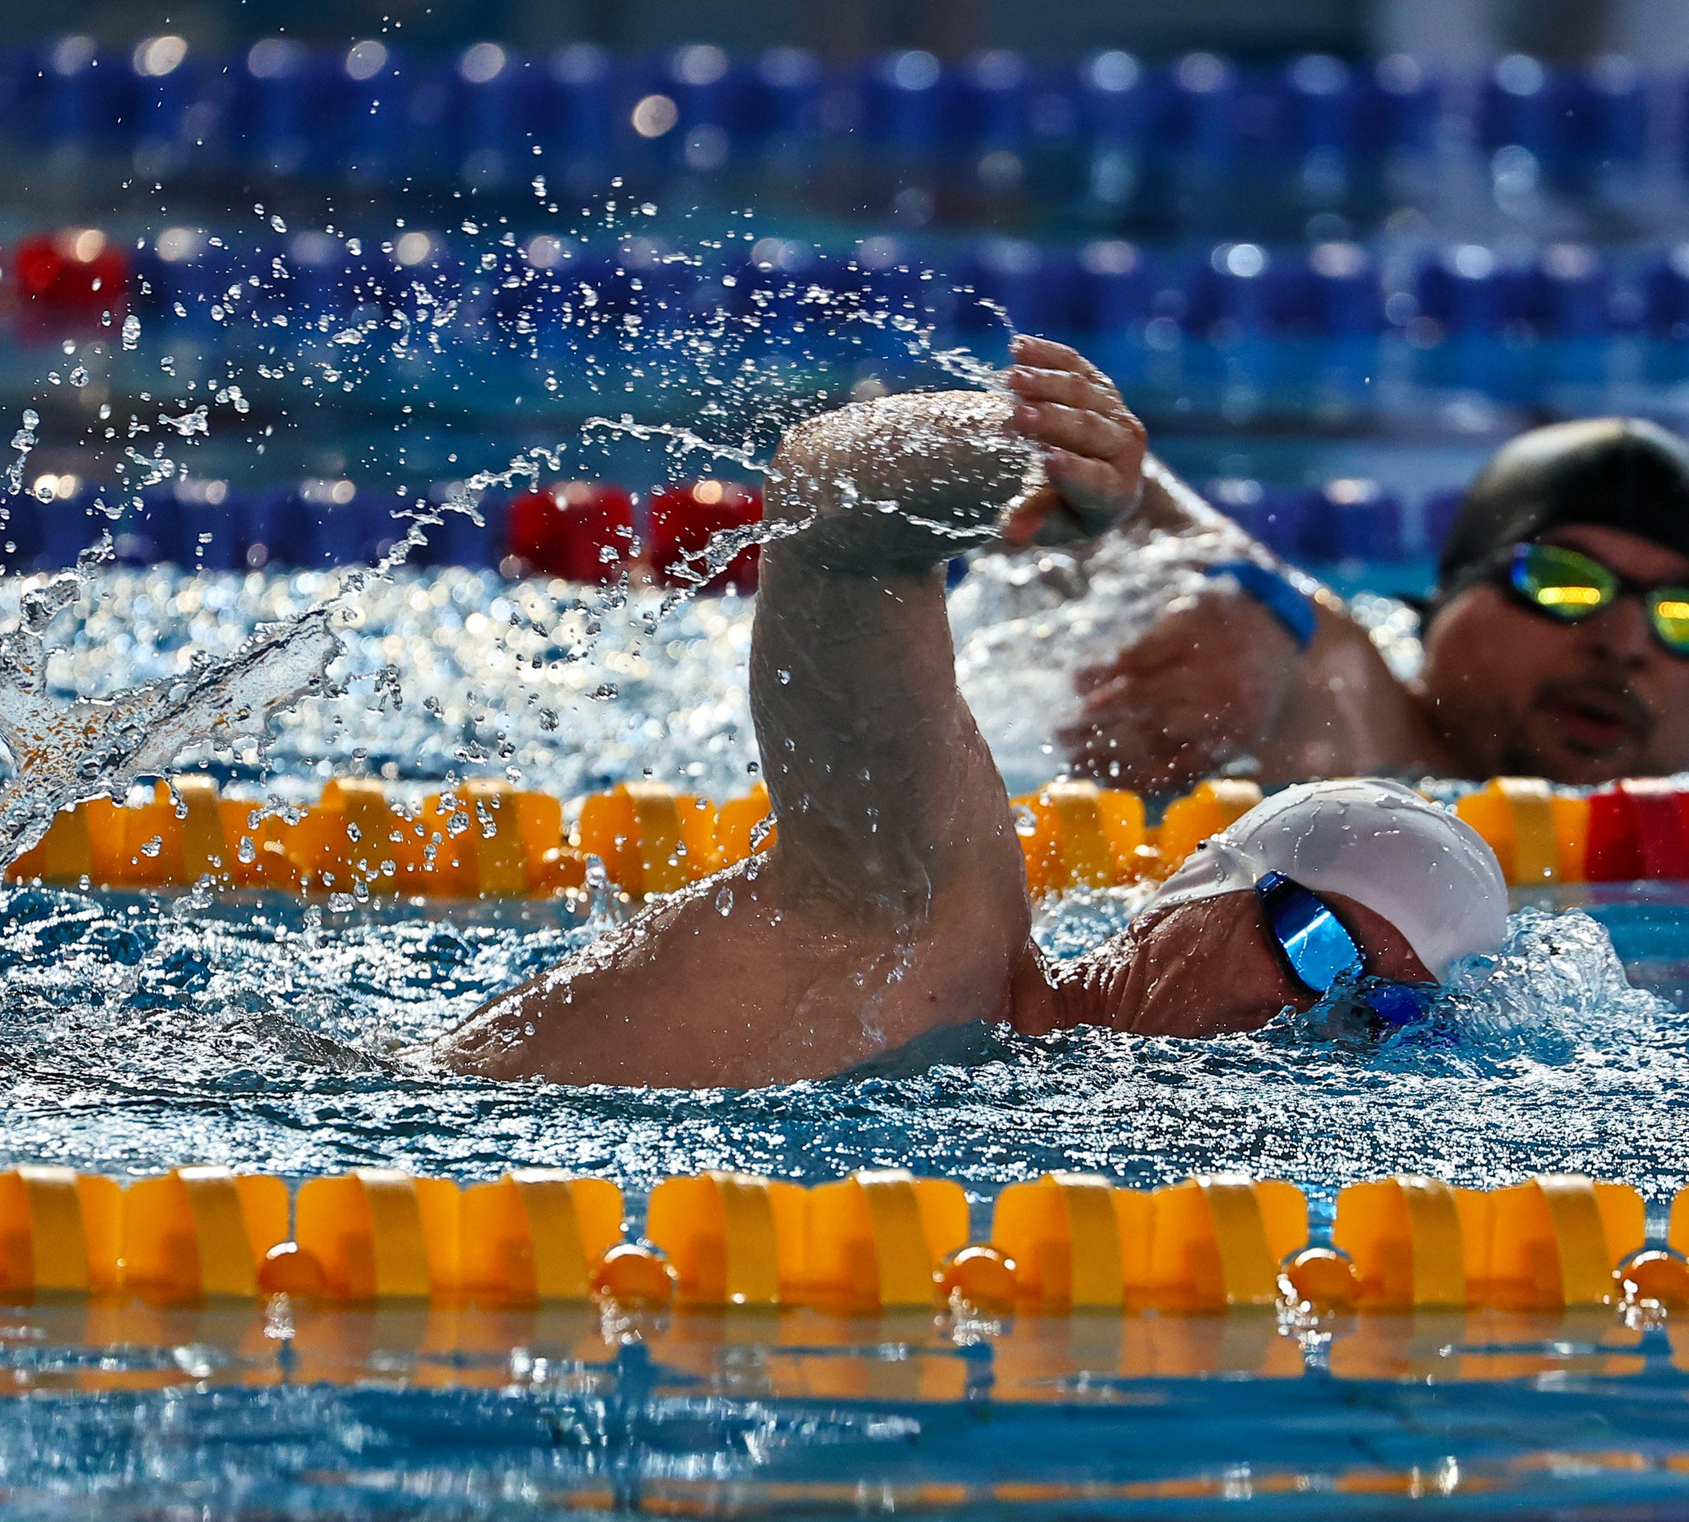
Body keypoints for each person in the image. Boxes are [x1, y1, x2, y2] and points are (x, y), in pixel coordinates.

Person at [434, 337, 1509, 1089]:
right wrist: (1025, 456)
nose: (1315, 1017)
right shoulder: (927, 921)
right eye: (1315, 945)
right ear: (1193, 888)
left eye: (1379, 1012)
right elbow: (830, 502)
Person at [1055, 418, 1689, 793]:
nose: (1624, 641)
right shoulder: (1352, 719)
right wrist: (1257, 608)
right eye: (1563, 581)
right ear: (1448, 603)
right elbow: (1050, 462)